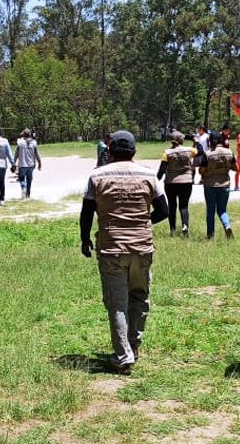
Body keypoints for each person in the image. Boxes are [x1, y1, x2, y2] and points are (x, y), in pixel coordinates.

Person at [80, 130, 169, 374]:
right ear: (134, 152)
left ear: (109, 151)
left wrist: (84, 239)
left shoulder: (97, 176)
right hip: (142, 246)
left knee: (117, 303)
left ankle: (122, 356)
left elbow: (87, 212)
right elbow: (164, 211)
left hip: (112, 247)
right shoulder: (149, 175)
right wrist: (143, 222)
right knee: (139, 296)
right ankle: (134, 345)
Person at [157, 131, 198, 237]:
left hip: (171, 182)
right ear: (182, 140)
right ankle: (185, 226)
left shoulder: (167, 152)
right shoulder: (190, 150)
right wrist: (195, 141)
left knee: (172, 206)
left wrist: (157, 180)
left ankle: (172, 230)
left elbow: (162, 169)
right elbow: (200, 152)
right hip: (186, 182)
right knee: (184, 206)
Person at [200, 132, 236, 239]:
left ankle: (210, 236)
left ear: (210, 141)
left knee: (210, 211)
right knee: (222, 210)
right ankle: (227, 225)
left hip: (210, 185)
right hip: (225, 185)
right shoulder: (229, 152)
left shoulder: (207, 154)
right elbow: (236, 168)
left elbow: (202, 170)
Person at [13, 129, 42, 199]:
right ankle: (28, 195)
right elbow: (37, 154)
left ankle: (23, 187)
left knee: (22, 179)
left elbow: (16, 154)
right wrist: (39, 163)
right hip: (31, 165)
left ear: (23, 135)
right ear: (30, 134)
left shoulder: (20, 143)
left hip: (22, 164)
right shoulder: (34, 143)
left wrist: (13, 163)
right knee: (29, 180)